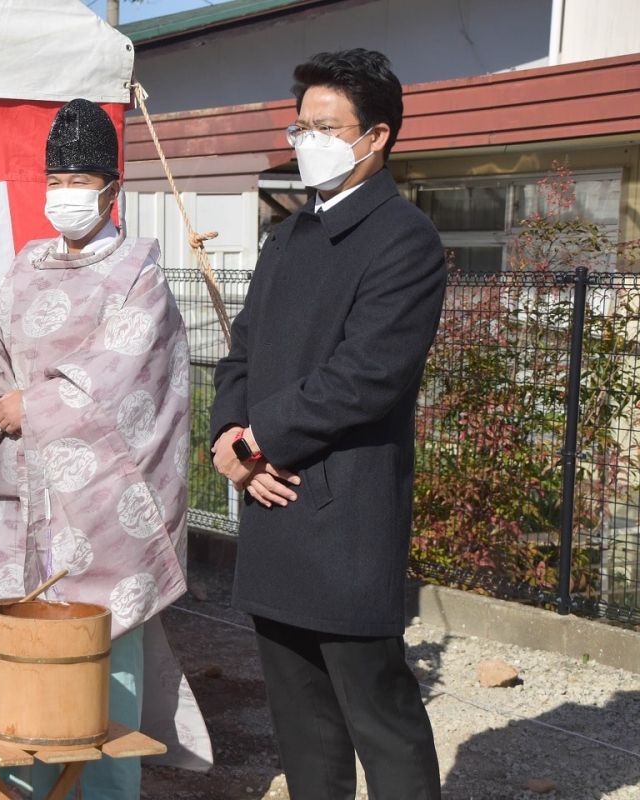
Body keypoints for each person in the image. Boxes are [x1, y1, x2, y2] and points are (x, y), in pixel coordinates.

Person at [0, 98, 210, 799]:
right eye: (56, 180)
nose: (65, 195)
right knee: (17, 648)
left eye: (80, 181)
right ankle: (29, 784)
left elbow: (129, 372)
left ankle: (107, 790)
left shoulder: (138, 273)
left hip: (101, 506)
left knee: (103, 649)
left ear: (112, 190)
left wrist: (40, 404)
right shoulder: (26, 266)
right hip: (18, 494)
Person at [210, 49, 446, 799]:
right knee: (300, 720)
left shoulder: (404, 239)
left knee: (378, 712)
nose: (304, 139)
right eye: (300, 125)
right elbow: (240, 352)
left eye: (324, 126)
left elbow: (366, 376)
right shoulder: (289, 237)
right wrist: (227, 439)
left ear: (375, 137)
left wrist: (257, 439)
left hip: (345, 509)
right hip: (270, 502)